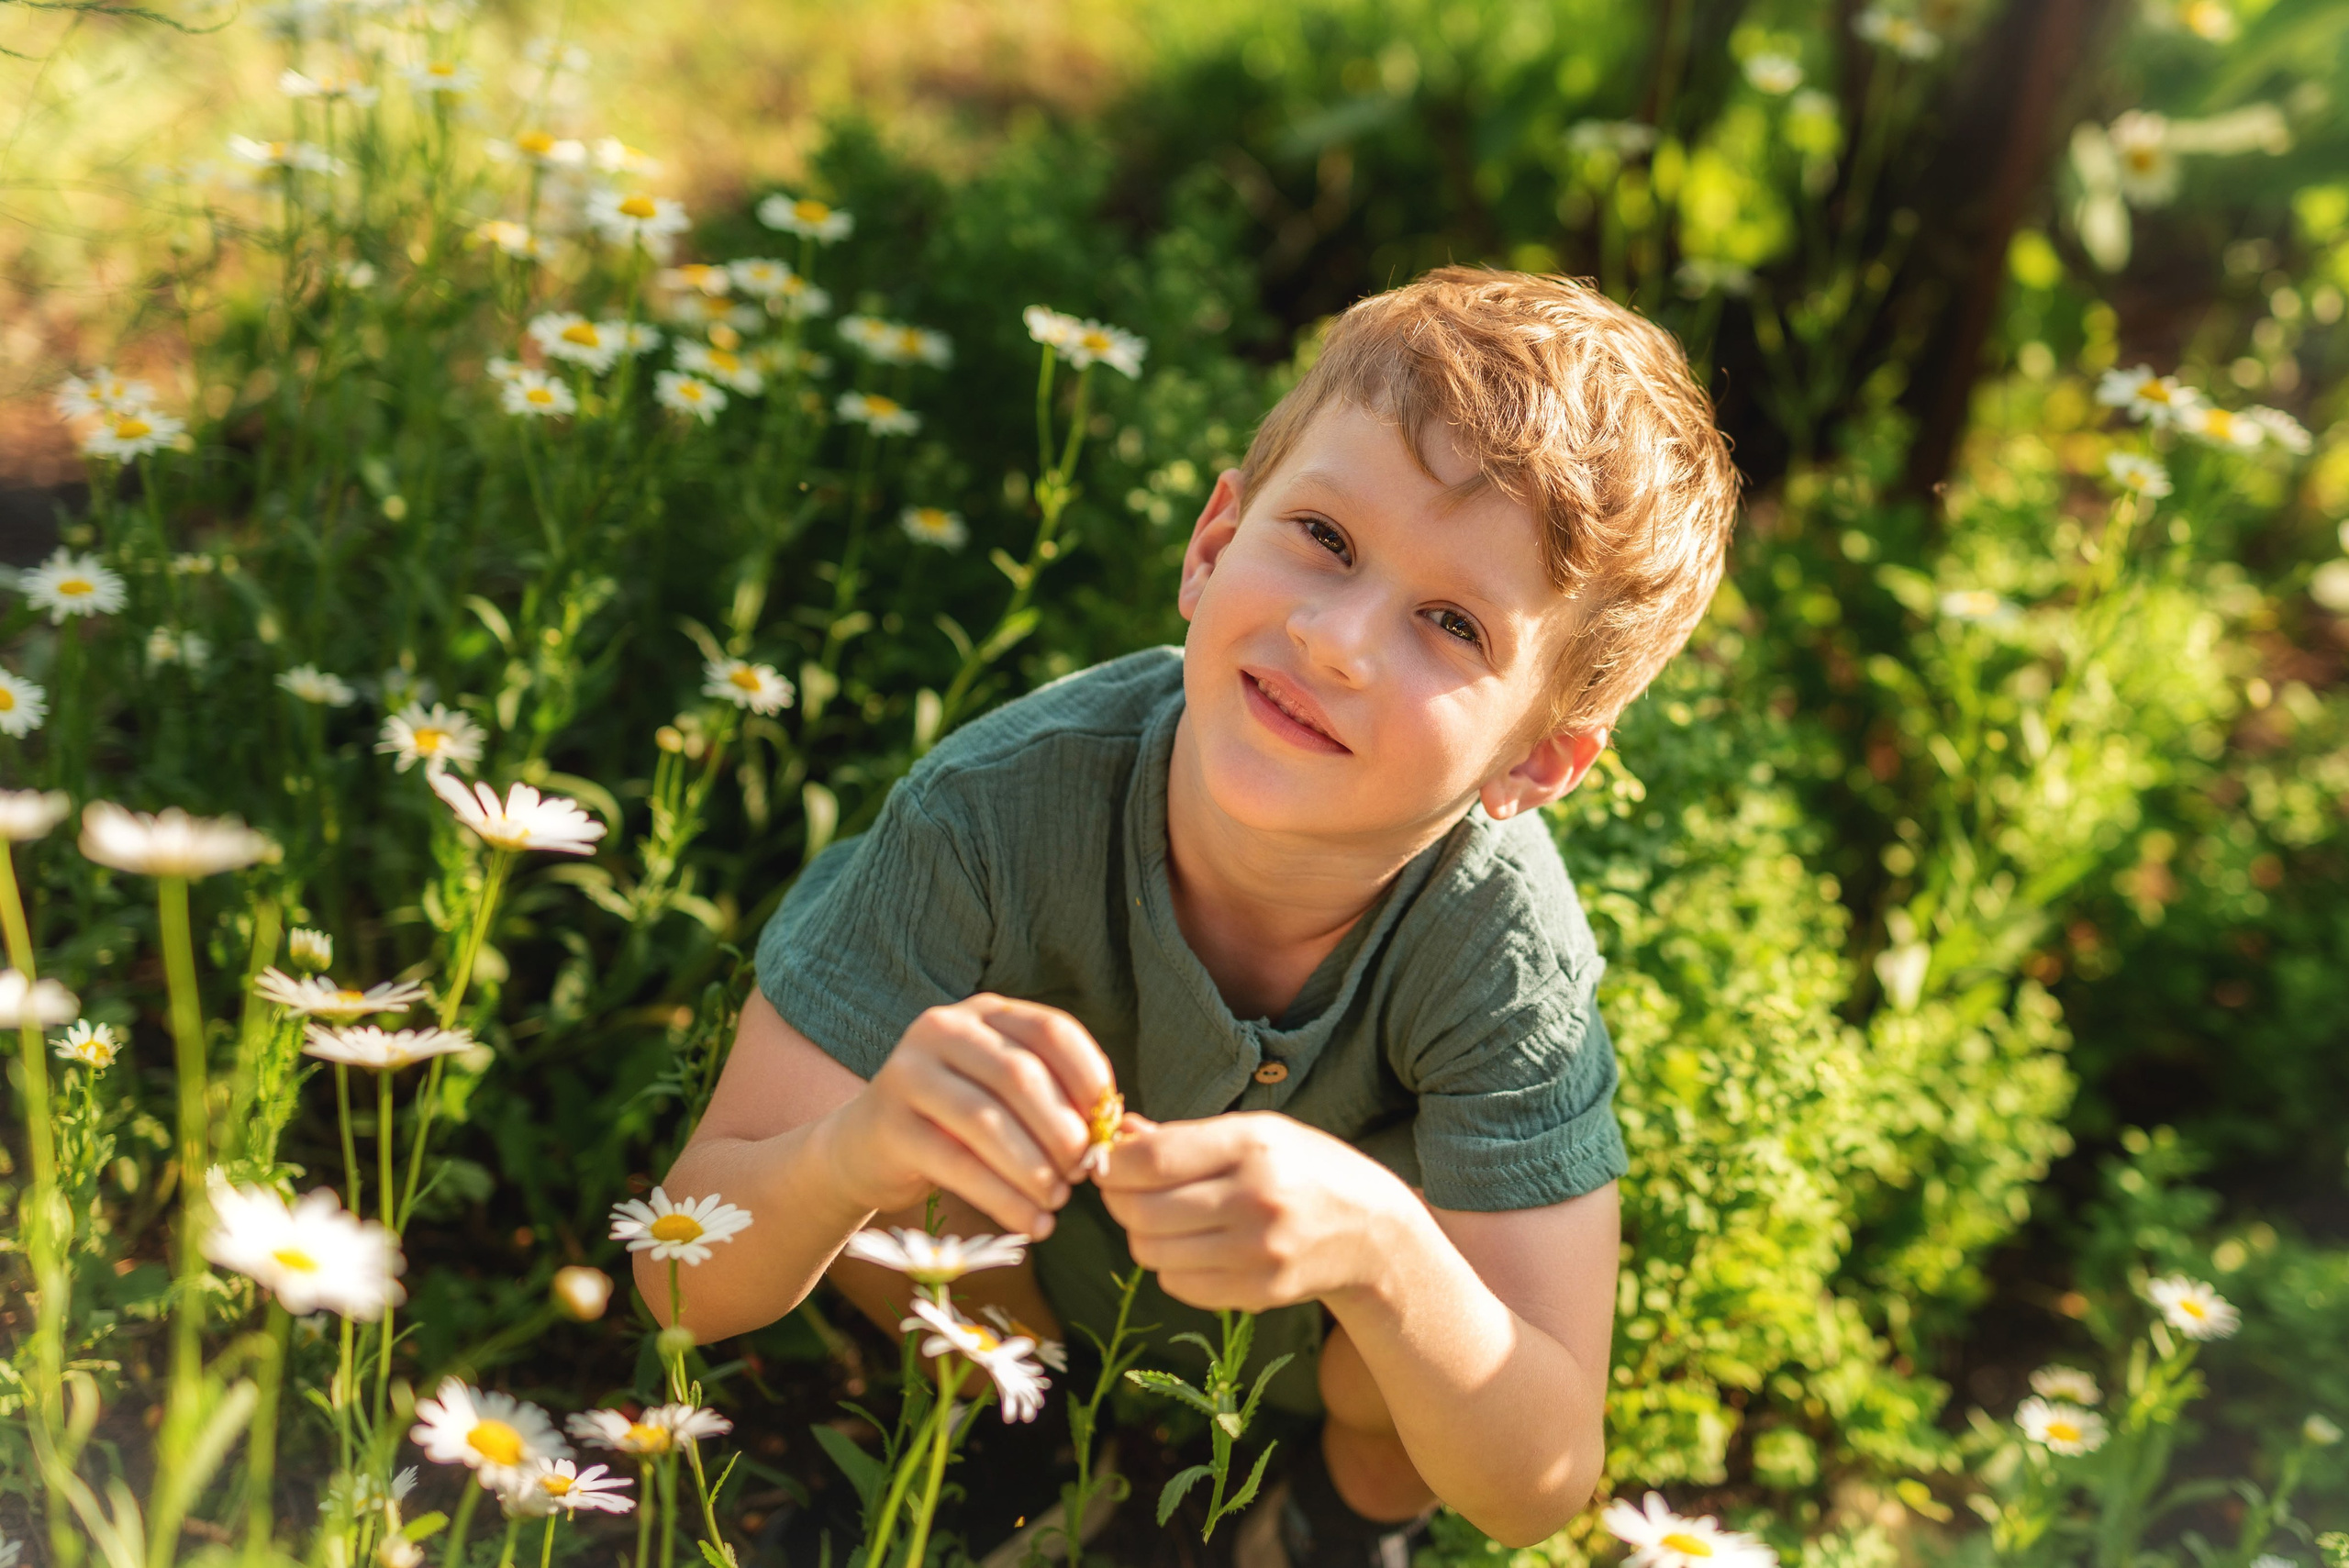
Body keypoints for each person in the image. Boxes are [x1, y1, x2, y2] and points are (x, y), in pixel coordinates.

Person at [644, 266, 1740, 1563]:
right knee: (899, 1179)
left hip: (1324, 1357)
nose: (1336, 639)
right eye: (1324, 538)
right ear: (1214, 542)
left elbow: (1542, 1480)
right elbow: (679, 1279)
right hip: (1013, 1281)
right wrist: (857, 1151)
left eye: (1450, 623)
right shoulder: (994, 808)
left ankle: (1322, 1524)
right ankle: (1021, 1444)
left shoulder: (1501, 956)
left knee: (1423, 1355)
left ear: (1537, 764)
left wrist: (1386, 1252)